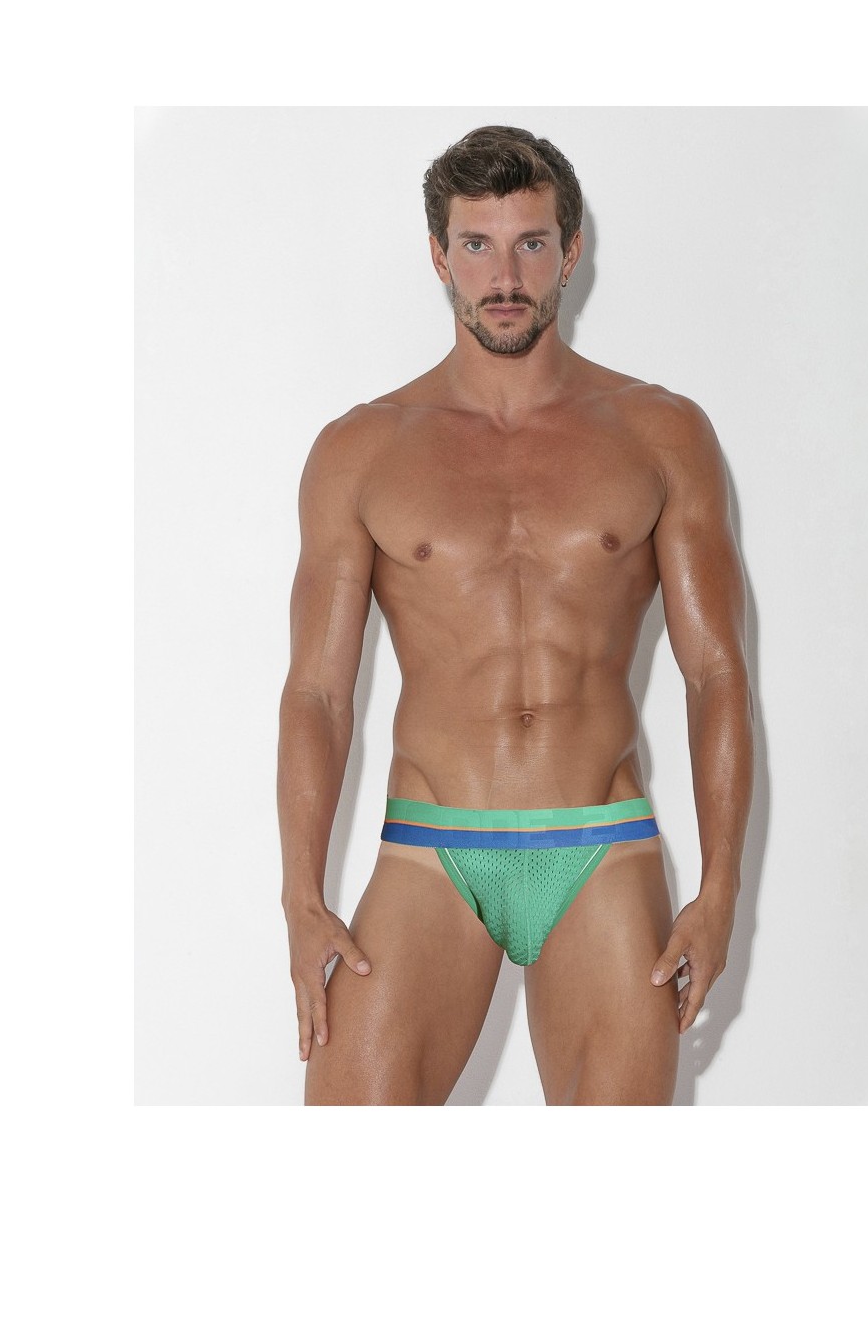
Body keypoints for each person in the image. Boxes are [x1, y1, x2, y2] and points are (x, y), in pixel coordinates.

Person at [277, 126, 753, 1105]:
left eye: (531, 243)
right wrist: (300, 896)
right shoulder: (361, 451)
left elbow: (715, 674)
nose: (504, 276)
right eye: (477, 244)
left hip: (602, 846)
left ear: (570, 252)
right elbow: (318, 693)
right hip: (430, 848)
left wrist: (719, 893)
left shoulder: (660, 433)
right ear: (438, 254)